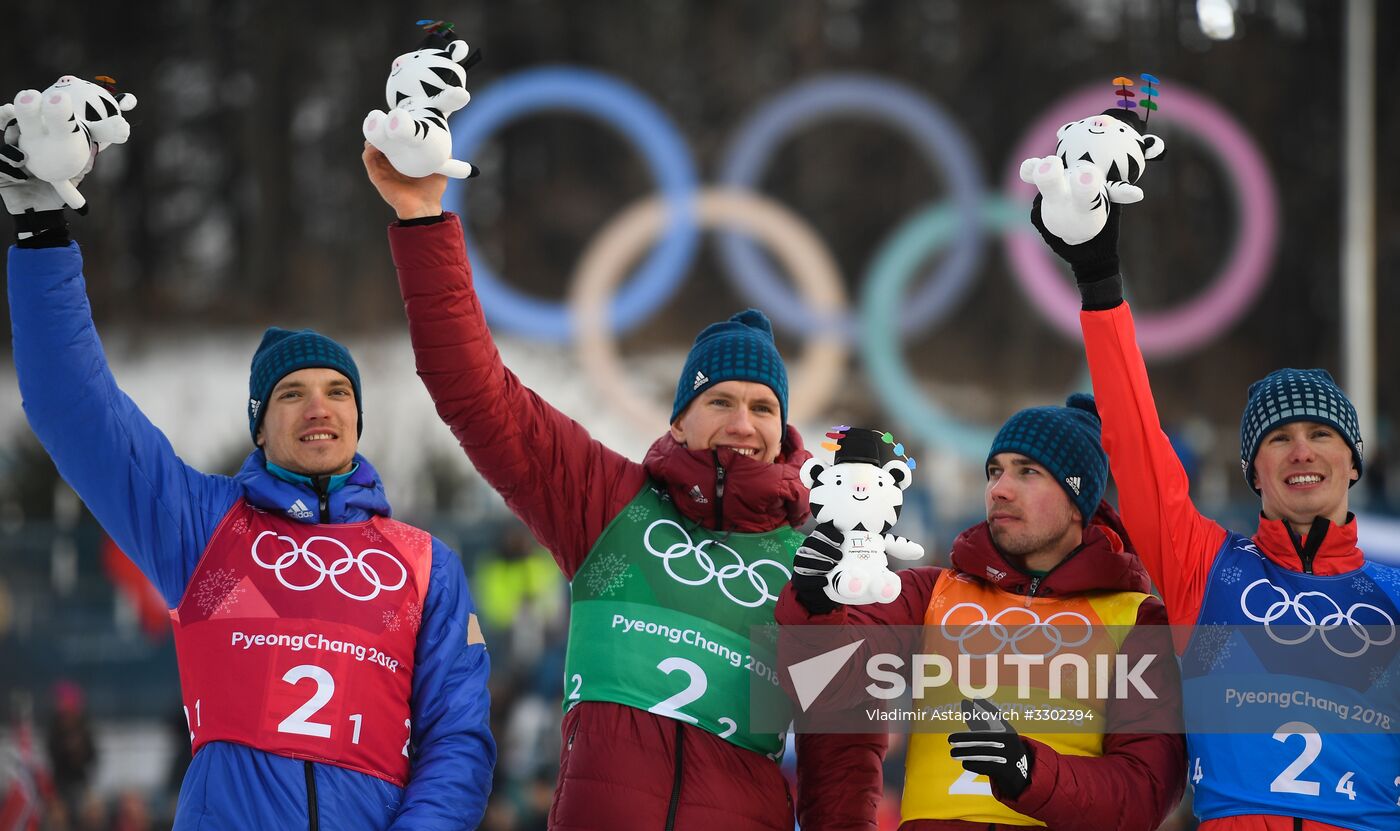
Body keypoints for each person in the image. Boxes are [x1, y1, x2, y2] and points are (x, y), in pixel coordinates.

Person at [363, 143, 863, 830]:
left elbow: (843, 768)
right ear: (681, 419)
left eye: (763, 406)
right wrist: (423, 220)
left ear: (784, 429)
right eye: (718, 401)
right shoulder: (606, 501)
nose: (741, 422)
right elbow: (477, 395)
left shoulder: (816, 566)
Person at [3, 144, 495, 829]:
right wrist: (40, 226)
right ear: (259, 427)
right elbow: (73, 409)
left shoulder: (423, 565)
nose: (318, 407)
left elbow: (457, 742)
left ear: (358, 416)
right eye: (291, 393)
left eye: (336, 392)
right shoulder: (205, 527)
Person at [1035, 184, 1400, 830]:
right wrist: (1099, 282)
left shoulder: (1392, 592)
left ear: (1354, 461)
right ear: (1252, 471)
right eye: (1278, 439)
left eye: (1321, 435)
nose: (1300, 451)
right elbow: (1137, 444)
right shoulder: (1208, 568)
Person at [778, 409, 1186, 830]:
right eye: (995, 471)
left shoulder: (1136, 620)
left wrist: (1029, 770)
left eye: (1028, 472)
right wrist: (816, 607)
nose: (1000, 490)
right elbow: (819, 686)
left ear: (1077, 501)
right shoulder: (927, 592)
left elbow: (1145, 793)